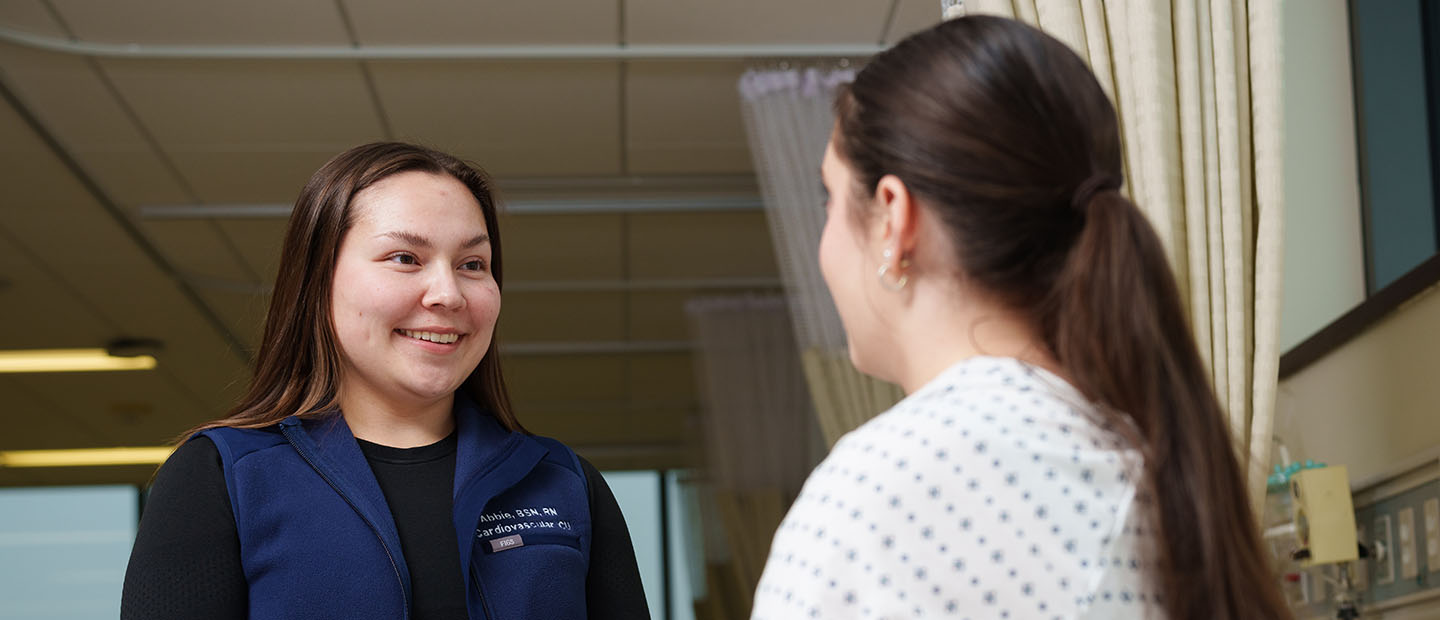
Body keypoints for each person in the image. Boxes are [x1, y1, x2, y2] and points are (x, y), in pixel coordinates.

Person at [751, 16, 1291, 620]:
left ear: (893, 217)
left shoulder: (872, 498)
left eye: (830, 198)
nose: (822, 241)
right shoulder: (1168, 473)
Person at [121, 142, 650, 620]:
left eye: (472, 263)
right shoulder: (223, 479)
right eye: (404, 258)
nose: (448, 293)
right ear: (318, 280)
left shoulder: (561, 482)